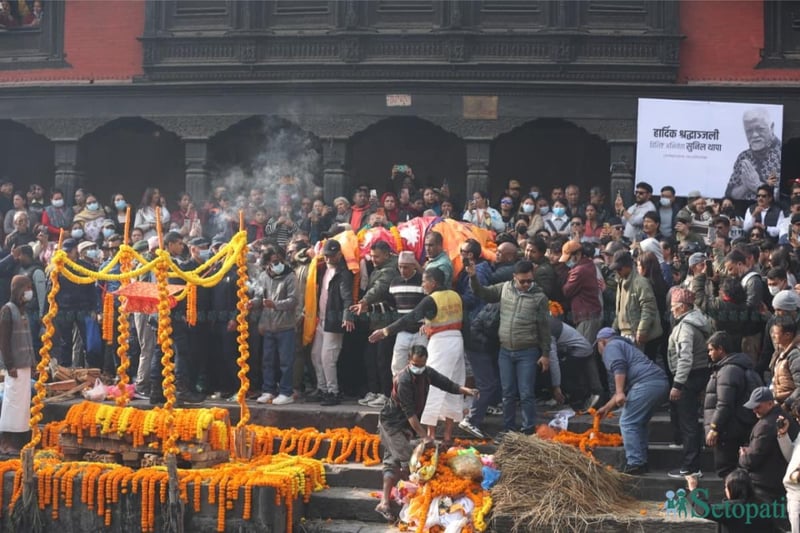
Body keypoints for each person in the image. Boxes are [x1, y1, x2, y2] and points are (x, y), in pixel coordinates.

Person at [374, 345, 478, 522]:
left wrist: (465, 390)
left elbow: (446, 383)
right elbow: (411, 415)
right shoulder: (403, 380)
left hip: (406, 425)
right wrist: (426, 436)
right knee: (407, 459)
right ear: (409, 361)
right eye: (415, 364)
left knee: (391, 460)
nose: (418, 368)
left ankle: (386, 503)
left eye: (421, 364)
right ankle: (415, 500)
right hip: (392, 424)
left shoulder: (427, 373)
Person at [369, 268, 467, 444]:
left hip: (441, 343)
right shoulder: (455, 295)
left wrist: (385, 331)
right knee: (453, 384)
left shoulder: (431, 300)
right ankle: (447, 436)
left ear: (433, 283)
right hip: (457, 342)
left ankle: (429, 435)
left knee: (432, 386)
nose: (422, 285)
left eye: (424, 281)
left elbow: (410, 318)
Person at [467, 260, 552, 436]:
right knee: (507, 393)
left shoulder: (539, 298)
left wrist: (545, 354)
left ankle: (528, 430)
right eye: (523, 281)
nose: (526, 284)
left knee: (526, 393)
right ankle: (508, 429)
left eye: (529, 281)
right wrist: (473, 277)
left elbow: (544, 328)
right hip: (505, 350)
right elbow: (483, 293)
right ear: (515, 278)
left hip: (527, 351)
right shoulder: (505, 288)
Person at [595, 327, 669, 474]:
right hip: (659, 382)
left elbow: (619, 367)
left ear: (601, 342)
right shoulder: (625, 345)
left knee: (628, 422)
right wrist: (607, 407)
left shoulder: (611, 346)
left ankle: (635, 462)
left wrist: (620, 391)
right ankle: (641, 461)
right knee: (638, 422)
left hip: (647, 383)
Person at [667, 288, 712, 479]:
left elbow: (685, 358)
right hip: (696, 374)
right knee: (688, 421)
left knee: (689, 423)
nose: (671, 310)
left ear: (683, 307)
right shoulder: (695, 322)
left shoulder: (686, 327)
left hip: (689, 377)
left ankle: (691, 467)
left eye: (673, 307)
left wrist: (678, 384)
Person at [705, 331, 761, 478]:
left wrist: (714, 428)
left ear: (721, 349)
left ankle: (732, 500)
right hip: (736, 427)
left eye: (711, 349)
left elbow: (724, 403)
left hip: (728, 430)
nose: (709, 353)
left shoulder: (728, 370)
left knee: (727, 471)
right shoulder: (738, 366)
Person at [350, 241, 398, 408]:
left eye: (377, 256)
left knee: (383, 360)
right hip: (374, 320)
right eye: (372, 256)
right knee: (370, 358)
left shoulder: (391, 269)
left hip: (387, 321)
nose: (373, 259)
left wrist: (364, 301)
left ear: (386, 254)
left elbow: (379, 288)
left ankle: (385, 393)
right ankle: (374, 391)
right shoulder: (377, 268)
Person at [309, 239, 356, 406]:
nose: (327, 259)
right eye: (326, 256)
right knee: (316, 355)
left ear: (339, 255)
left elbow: (347, 297)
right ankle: (322, 388)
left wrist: (347, 316)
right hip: (321, 319)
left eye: (330, 256)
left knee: (328, 358)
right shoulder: (324, 270)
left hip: (333, 321)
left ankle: (333, 391)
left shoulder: (343, 274)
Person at [739, 386, 798, 507]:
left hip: (766, 483)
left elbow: (753, 459)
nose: (754, 410)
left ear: (770, 404)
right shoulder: (782, 417)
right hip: (778, 480)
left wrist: (743, 456)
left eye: (757, 407)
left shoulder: (765, 425)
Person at [255, 246, 298, 406]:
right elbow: (259, 296)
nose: (275, 264)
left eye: (278, 261)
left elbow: (294, 300)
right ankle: (268, 390)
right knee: (267, 361)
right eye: (272, 262)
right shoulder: (263, 277)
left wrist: (275, 304)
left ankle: (286, 392)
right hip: (268, 326)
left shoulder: (290, 276)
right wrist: (252, 303)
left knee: (286, 362)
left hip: (285, 325)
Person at [0, 276, 35, 454]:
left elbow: (27, 339)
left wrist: (33, 362)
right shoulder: (7, 310)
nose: (30, 291)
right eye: (27, 288)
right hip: (14, 367)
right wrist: (9, 365)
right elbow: (4, 341)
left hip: (25, 364)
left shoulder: (23, 311)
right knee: (11, 404)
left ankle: (19, 440)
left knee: (21, 406)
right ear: (18, 290)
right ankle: (5, 442)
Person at [686, 468, 783, 533]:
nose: (725, 490)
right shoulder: (764, 506)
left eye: (726, 487)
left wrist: (694, 490)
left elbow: (704, 509)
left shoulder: (730, 509)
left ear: (733, 489)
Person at [726, 108, 782, 202]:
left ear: (771, 127)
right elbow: (730, 194)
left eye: (760, 129)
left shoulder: (782, 154)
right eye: (749, 131)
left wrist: (756, 185)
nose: (755, 135)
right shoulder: (743, 157)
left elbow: (783, 196)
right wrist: (745, 186)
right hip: (744, 211)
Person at [547, 317, 603, 411]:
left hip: (580, 350)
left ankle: (583, 397)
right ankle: (576, 397)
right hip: (575, 350)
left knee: (558, 373)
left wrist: (556, 386)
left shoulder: (548, 329)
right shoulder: (548, 323)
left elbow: (553, 361)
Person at [610, 250, 663, 349]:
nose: (617, 271)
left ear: (627, 266)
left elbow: (648, 308)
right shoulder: (621, 282)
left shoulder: (641, 282)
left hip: (637, 335)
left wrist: (642, 331)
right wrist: (614, 329)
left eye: (619, 268)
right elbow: (620, 311)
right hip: (624, 333)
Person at [560, 240, 602, 343]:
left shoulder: (579, 271)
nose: (567, 262)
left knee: (583, 349)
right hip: (591, 314)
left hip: (586, 317)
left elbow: (566, 291)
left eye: (569, 258)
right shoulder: (589, 264)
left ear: (578, 254)